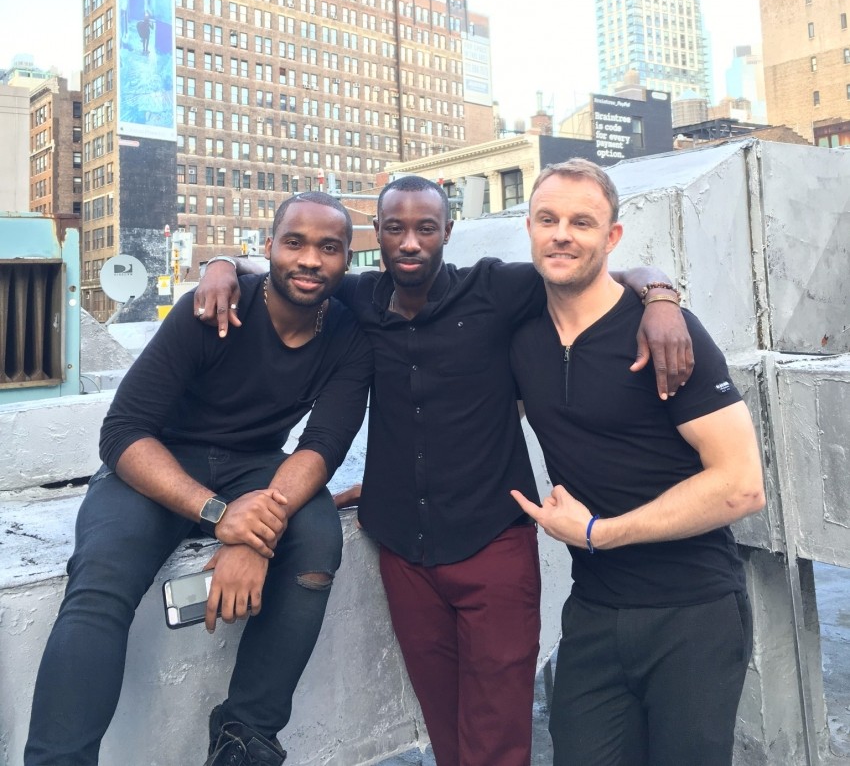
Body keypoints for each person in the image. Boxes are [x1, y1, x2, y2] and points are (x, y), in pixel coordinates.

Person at [195, 176, 694, 766]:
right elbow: (275, 267)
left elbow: (598, 274)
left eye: (425, 228)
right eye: (395, 229)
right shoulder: (359, 296)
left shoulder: (496, 288)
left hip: (493, 544)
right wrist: (218, 265)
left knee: (498, 739)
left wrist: (660, 298)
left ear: (447, 232)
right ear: (376, 235)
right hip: (403, 550)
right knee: (446, 732)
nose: (410, 242)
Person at [25, 193, 373, 766]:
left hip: (255, 466)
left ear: (346, 259)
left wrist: (258, 529)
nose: (310, 259)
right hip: (158, 465)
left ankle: (244, 738)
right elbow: (123, 432)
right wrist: (221, 517)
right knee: (102, 578)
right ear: (269, 248)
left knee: (317, 537)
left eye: (328, 247)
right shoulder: (211, 309)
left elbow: (323, 445)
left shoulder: (348, 335)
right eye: (295, 242)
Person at [509, 160, 765, 766]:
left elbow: (741, 485)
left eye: (582, 222)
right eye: (548, 219)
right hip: (593, 613)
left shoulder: (668, 335)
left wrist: (599, 534)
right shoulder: (520, 335)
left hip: (693, 612)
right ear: (530, 228)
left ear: (612, 236)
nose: (562, 235)